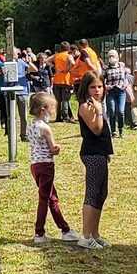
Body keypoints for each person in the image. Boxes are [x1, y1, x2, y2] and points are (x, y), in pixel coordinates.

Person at [27, 93, 82, 245]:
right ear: (43, 109)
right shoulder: (45, 128)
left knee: (51, 197)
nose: (53, 111)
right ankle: (39, 232)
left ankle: (65, 229)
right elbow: (52, 149)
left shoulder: (31, 125)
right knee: (45, 199)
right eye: (52, 108)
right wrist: (58, 148)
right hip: (46, 165)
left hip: (35, 164)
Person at [75, 71, 112, 250]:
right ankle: (85, 236)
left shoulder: (97, 104)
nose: (97, 90)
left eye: (100, 86)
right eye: (92, 87)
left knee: (101, 193)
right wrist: (99, 112)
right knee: (92, 193)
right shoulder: (86, 107)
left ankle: (94, 233)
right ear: (86, 89)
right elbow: (96, 129)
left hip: (101, 152)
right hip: (92, 153)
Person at [102, 50, 132, 138]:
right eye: (110, 56)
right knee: (112, 111)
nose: (111, 58)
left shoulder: (122, 67)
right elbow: (101, 80)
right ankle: (113, 131)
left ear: (117, 57)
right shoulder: (106, 69)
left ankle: (121, 129)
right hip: (111, 92)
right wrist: (106, 86)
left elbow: (126, 78)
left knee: (121, 111)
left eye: (113, 56)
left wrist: (125, 85)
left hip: (121, 92)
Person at [50, 44, 75, 122]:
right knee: (65, 100)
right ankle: (65, 117)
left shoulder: (57, 55)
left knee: (58, 100)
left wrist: (54, 66)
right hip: (66, 80)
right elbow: (73, 63)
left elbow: (46, 60)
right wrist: (67, 69)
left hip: (56, 80)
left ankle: (58, 117)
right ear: (68, 48)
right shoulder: (68, 55)